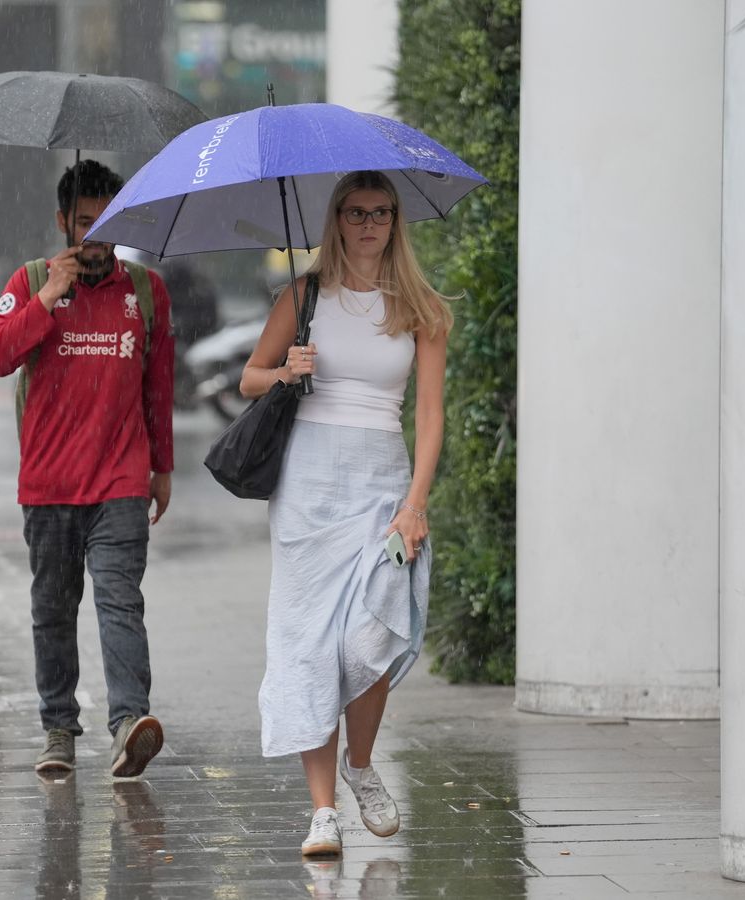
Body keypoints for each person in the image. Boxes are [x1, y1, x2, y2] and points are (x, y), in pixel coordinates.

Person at [239, 170, 451, 857]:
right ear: (336, 220)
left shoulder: (421, 307)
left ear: (395, 221)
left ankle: (361, 764)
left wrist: (415, 503)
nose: (368, 225)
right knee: (309, 645)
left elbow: (429, 414)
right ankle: (323, 811)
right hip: (308, 488)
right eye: (356, 212)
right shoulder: (303, 296)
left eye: (381, 213)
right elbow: (249, 379)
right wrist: (287, 371)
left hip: (383, 485)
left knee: (369, 639)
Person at [0, 159, 174, 779]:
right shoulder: (31, 281)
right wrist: (47, 299)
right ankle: (59, 728)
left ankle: (129, 723)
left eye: (108, 221)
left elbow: (158, 385)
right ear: (62, 220)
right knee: (53, 610)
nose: (96, 235)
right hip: (48, 485)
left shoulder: (145, 290)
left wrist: (162, 467)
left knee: (120, 602)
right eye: (85, 222)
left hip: (120, 481)